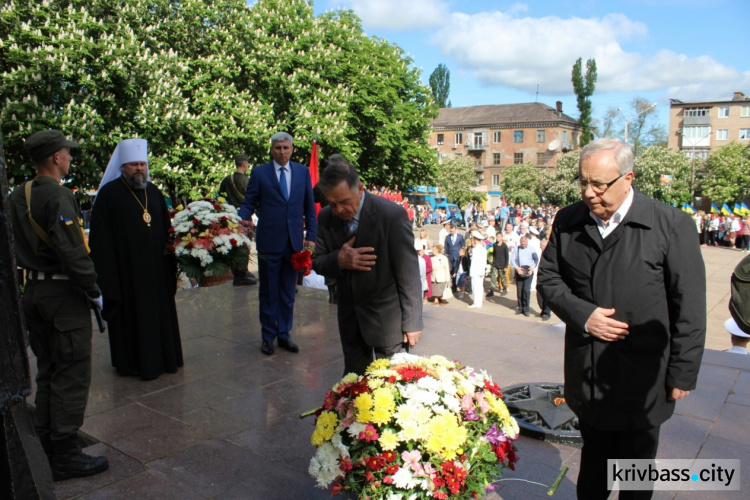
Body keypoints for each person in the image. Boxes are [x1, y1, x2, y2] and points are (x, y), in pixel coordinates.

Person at [537, 138, 706, 500]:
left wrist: (682, 372)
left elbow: (689, 306)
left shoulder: (670, 225)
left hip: (643, 381)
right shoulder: (568, 220)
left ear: (627, 178)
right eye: (582, 182)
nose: (589, 193)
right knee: (594, 468)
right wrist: (585, 316)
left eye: (599, 184)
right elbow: (548, 281)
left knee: (634, 476)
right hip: (589, 373)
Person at [10, 129, 109, 480]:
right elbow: (73, 250)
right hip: (62, 297)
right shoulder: (58, 195)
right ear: (55, 157)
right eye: (68, 153)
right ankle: (65, 453)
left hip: (33, 293)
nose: (70, 158)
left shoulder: (17, 196)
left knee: (49, 369)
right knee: (71, 371)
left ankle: (48, 445)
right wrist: (93, 289)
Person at [312, 155, 423, 376]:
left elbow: (408, 273)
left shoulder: (391, 215)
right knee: (355, 386)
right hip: (350, 320)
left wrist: (412, 321)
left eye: (344, 201)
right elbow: (318, 261)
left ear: (360, 189)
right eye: (332, 203)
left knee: (392, 386)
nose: (339, 210)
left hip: (388, 321)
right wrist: (339, 260)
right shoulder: (326, 217)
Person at [89, 138, 183, 381]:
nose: (139, 169)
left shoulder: (154, 192)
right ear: (123, 167)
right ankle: (133, 363)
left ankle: (164, 358)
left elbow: (166, 230)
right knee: (134, 318)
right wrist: (109, 276)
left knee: (159, 315)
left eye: (142, 164)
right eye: (133, 165)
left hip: (157, 271)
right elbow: (99, 240)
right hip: (126, 273)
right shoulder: (108, 195)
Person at [238, 132, 317, 355]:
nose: (282, 151)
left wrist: (311, 235)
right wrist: (236, 220)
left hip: (293, 243)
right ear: (271, 150)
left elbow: (309, 207)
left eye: (285, 148)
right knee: (268, 291)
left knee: (288, 292)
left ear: (292, 149)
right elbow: (249, 203)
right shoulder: (260, 173)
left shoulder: (302, 172)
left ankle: (284, 334)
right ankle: (267, 336)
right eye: (278, 148)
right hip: (268, 242)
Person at [218, 153, 256, 286]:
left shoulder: (228, 179)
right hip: (244, 215)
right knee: (245, 244)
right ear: (245, 164)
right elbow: (253, 199)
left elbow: (220, 194)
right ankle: (241, 274)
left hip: (231, 216)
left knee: (234, 243)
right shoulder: (247, 180)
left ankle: (237, 272)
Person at [512, 236, 538, 317]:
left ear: (527, 242)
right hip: (520, 271)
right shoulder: (517, 249)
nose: (523, 245)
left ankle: (526, 309)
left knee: (526, 290)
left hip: (528, 271)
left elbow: (536, 259)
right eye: (522, 244)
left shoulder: (531, 249)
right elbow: (512, 259)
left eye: (524, 244)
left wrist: (532, 268)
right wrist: (517, 268)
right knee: (520, 290)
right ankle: (520, 308)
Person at [444, 223, 465, 292]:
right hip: (450, 256)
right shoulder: (447, 237)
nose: (452, 232)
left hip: (458, 256)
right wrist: (445, 255)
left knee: (456, 271)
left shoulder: (460, 237)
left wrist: (462, 255)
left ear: (455, 229)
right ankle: (453, 284)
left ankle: (455, 286)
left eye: (453, 231)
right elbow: (446, 247)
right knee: (451, 270)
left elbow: (463, 246)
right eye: (451, 231)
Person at [468, 231, 487, 308]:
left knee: (475, 287)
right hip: (481, 271)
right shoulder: (483, 249)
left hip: (476, 271)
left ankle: (476, 302)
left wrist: (471, 273)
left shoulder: (476, 249)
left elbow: (475, 262)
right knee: (479, 287)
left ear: (476, 240)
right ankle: (478, 302)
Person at [487, 233, 509, 297]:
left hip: (502, 265)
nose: (497, 238)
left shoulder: (504, 246)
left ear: (502, 237)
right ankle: (491, 290)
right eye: (497, 237)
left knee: (503, 278)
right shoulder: (494, 245)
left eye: (499, 237)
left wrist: (506, 266)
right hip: (495, 264)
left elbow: (507, 257)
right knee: (493, 277)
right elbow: (494, 254)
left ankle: (505, 289)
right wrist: (493, 262)